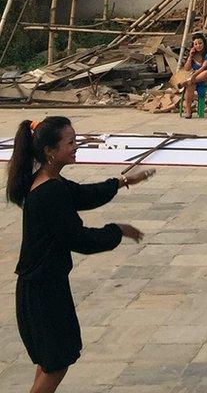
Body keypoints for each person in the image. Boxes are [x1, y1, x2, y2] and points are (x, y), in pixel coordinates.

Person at [7, 116, 152, 393]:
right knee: (57, 363)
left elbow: (84, 195)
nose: (76, 147)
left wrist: (122, 182)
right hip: (42, 293)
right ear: (50, 150)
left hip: (42, 287)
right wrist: (118, 230)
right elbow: (80, 239)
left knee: (51, 363)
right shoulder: (49, 192)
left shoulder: (48, 181)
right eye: (71, 142)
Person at [182, 32, 207, 119]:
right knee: (190, 84)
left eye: (200, 43)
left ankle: (186, 82)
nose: (198, 45)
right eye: (196, 44)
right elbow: (186, 68)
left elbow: (203, 67)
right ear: (193, 45)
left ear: (204, 43)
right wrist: (190, 56)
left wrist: (193, 77)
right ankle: (188, 111)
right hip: (195, 80)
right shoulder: (193, 54)